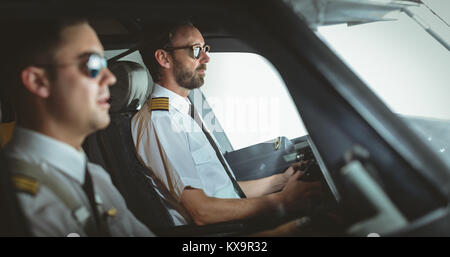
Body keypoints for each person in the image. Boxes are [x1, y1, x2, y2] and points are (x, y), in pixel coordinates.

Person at [132, 21, 322, 227]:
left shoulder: (182, 110)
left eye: (205, 49)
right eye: (196, 50)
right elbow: (201, 211)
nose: (206, 58)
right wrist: (282, 202)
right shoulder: (161, 121)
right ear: (164, 58)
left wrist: (282, 180)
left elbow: (223, 192)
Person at [0, 19, 154, 237]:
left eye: (105, 63)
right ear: (38, 82)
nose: (110, 78)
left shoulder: (94, 176)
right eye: (92, 65)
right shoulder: (24, 206)